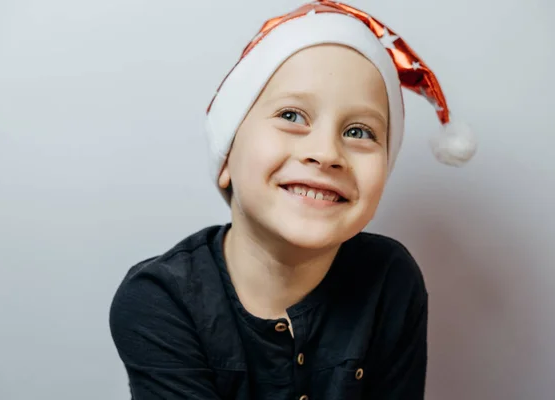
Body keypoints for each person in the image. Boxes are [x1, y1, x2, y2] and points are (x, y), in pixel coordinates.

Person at [108, 1, 477, 399]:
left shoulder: (390, 279)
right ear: (226, 155)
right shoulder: (160, 299)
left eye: (358, 132)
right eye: (292, 116)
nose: (327, 152)